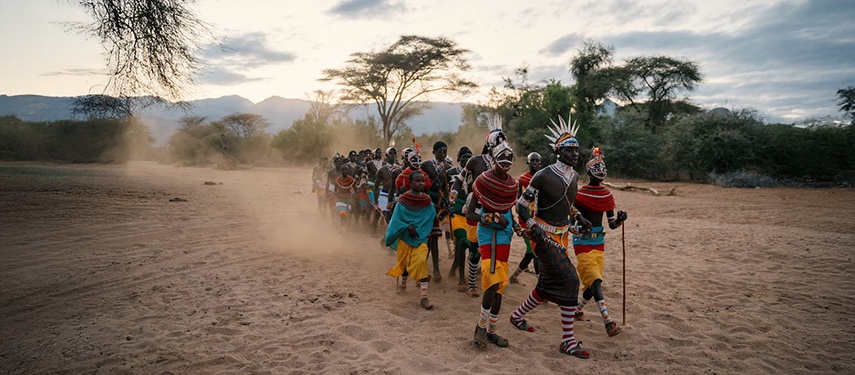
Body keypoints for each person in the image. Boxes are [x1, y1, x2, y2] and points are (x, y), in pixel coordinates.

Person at [510, 114, 593, 359]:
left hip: (563, 236)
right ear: (558, 151)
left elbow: (568, 205)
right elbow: (521, 205)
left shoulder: (575, 177)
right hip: (542, 237)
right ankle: (567, 341)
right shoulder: (543, 175)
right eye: (569, 150)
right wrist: (532, 225)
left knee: (547, 285)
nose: (575, 154)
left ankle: (516, 316)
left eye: (577, 150)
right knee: (570, 281)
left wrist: (579, 217)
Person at [468, 117, 519, 349]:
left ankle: (492, 331)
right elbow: (469, 214)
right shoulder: (482, 180)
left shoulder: (513, 185)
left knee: (500, 285)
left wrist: (515, 225)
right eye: (501, 158)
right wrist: (488, 217)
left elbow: (510, 211)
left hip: (505, 233)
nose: (505, 162)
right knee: (491, 279)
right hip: (487, 233)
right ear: (493, 158)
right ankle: (479, 328)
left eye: (509, 158)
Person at [572, 147, 627, 337]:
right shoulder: (580, 195)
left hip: (599, 243)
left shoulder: (606, 195)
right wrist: (579, 226)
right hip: (582, 242)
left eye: (602, 168)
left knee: (591, 283)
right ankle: (608, 321)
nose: (600, 172)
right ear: (589, 172)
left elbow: (611, 225)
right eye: (597, 169)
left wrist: (620, 219)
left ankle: (577, 310)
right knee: (595, 279)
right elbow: (571, 220)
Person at [385, 170, 437, 310]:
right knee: (405, 263)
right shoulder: (402, 200)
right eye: (418, 181)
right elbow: (396, 220)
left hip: (421, 239)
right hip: (405, 238)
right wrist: (408, 227)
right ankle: (403, 284)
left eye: (422, 181)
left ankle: (424, 298)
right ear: (410, 182)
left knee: (421, 262)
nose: (421, 183)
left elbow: (431, 216)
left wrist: (422, 230)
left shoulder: (427, 201)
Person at [448, 147, 480, 295]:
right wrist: (448, 204)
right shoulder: (451, 173)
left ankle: (455, 267)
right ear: (458, 158)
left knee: (474, 245)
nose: (467, 160)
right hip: (457, 212)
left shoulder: (479, 174)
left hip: (472, 213)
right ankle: (462, 278)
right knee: (462, 242)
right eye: (464, 157)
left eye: (469, 157)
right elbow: (448, 190)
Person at [510, 152, 542, 284]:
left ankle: (514, 276)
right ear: (528, 163)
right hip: (525, 219)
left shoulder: (543, 178)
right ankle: (541, 284)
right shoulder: (523, 180)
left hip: (539, 219)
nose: (534, 163)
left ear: (540, 163)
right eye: (532, 161)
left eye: (537, 161)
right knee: (536, 252)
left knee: (531, 252)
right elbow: (518, 201)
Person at [333, 163, 356, 229]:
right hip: (340, 200)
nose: (345, 171)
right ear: (341, 171)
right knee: (342, 214)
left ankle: (345, 227)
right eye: (344, 170)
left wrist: (352, 195)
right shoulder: (338, 180)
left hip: (349, 199)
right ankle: (341, 227)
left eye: (346, 169)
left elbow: (355, 190)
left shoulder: (351, 179)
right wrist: (341, 196)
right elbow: (335, 192)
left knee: (349, 214)